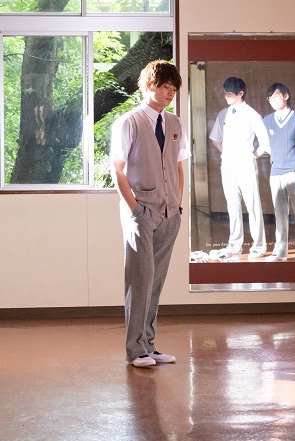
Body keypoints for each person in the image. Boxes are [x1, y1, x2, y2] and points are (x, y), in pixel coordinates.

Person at [110, 60, 190, 368]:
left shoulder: (174, 124)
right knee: (140, 280)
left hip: (170, 213)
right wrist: (135, 209)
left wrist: (178, 204)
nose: (170, 93)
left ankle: (150, 345)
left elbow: (179, 166)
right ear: (148, 86)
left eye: (173, 89)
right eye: (165, 86)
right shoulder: (129, 122)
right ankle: (135, 350)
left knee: (155, 283)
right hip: (142, 212)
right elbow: (117, 169)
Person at [209, 77, 270, 260]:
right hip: (228, 164)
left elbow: (265, 141)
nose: (226, 96)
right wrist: (226, 152)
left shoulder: (251, 114)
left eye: (229, 93)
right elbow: (215, 138)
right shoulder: (223, 114)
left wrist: (254, 155)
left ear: (240, 93)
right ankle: (235, 245)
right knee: (232, 205)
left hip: (245, 164)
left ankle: (259, 246)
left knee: (252, 205)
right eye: (225, 93)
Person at [262, 83, 295, 261]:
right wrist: (278, 156)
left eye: (276, 96)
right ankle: (280, 252)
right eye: (270, 98)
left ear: (286, 96)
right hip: (276, 172)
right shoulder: (267, 120)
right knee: (279, 214)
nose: (273, 100)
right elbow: (266, 144)